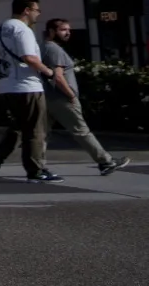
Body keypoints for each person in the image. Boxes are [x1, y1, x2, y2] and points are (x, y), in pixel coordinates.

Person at [38, 19, 130, 175]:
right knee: (81, 131)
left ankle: (37, 166)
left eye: (69, 30)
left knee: (43, 134)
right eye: (63, 30)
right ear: (52, 31)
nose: (68, 33)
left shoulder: (43, 47)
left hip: (48, 97)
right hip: (62, 99)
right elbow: (58, 77)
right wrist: (71, 95)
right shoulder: (54, 50)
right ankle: (105, 161)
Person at [0, 0, 60, 182]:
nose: (38, 14)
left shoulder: (0, 29)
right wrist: (50, 73)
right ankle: (36, 170)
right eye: (36, 10)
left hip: (5, 85)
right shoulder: (22, 30)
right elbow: (30, 58)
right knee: (35, 129)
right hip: (27, 86)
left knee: (19, 125)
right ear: (26, 10)